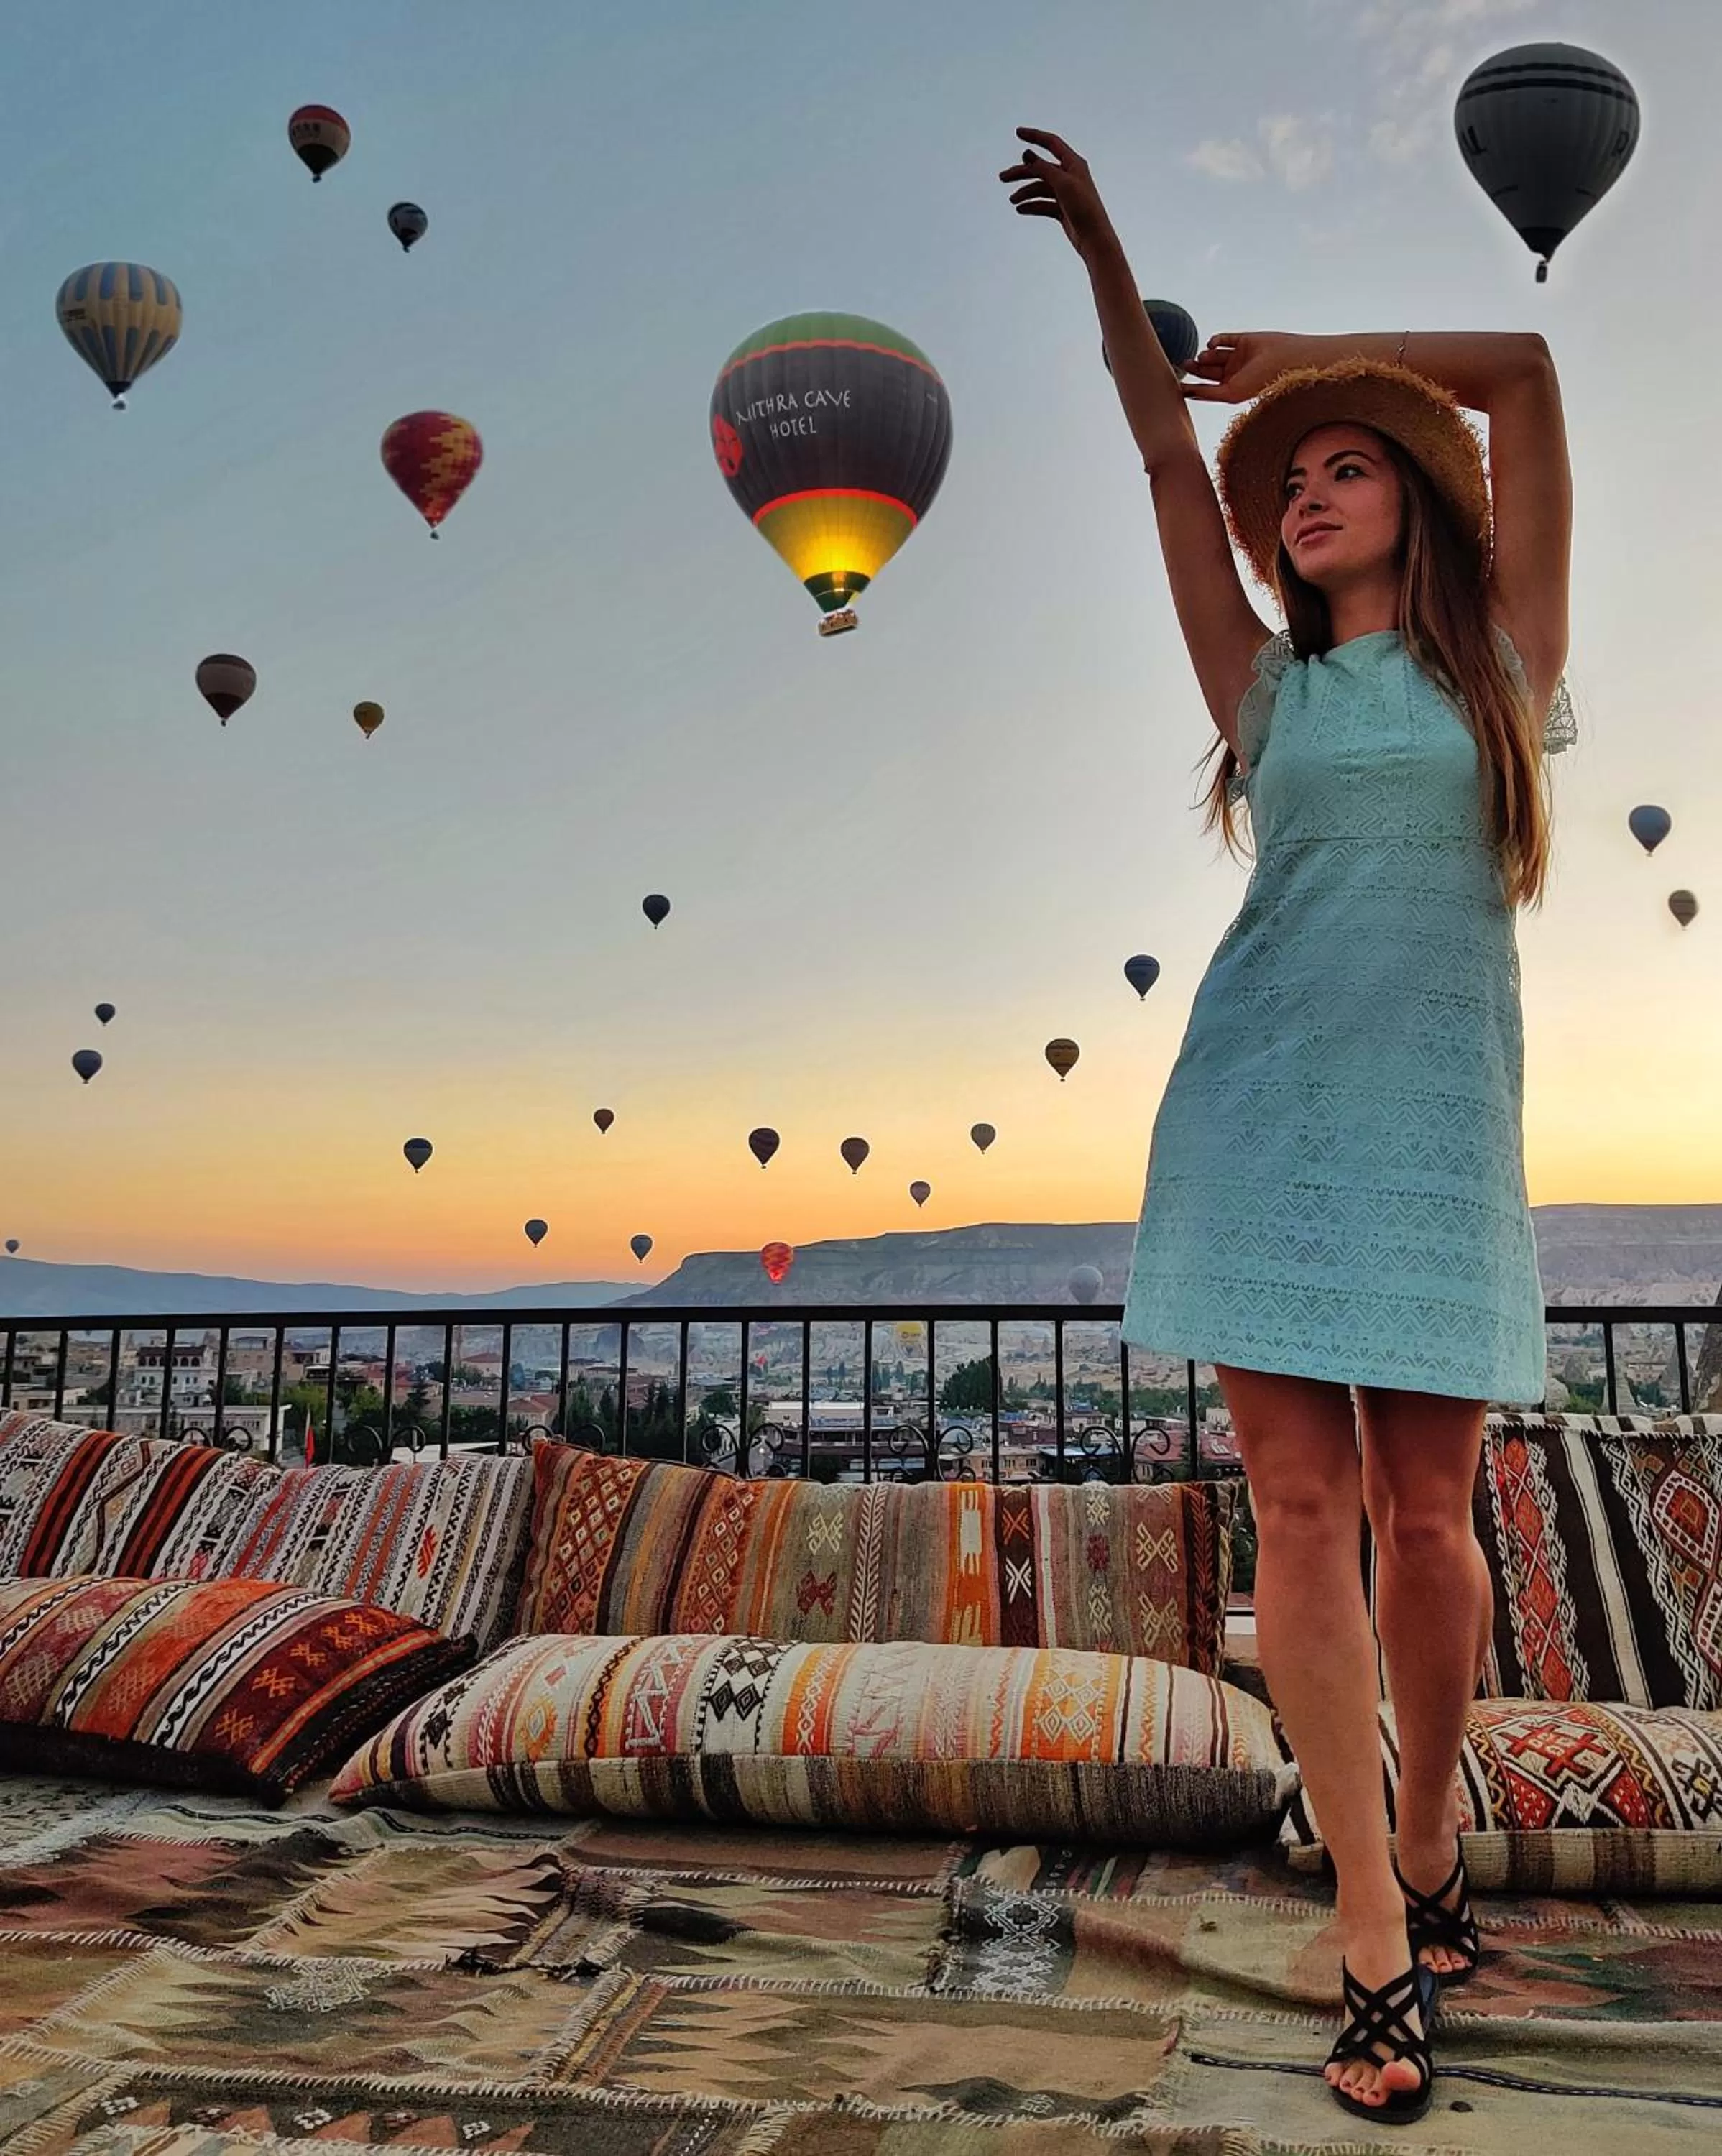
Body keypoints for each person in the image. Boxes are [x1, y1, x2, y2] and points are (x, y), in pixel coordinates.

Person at [999, 127, 1573, 2125]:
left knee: (1434, 1518)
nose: (1303, 494)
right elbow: (1170, 464)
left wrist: (1317, 363)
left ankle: (1430, 1841)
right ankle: (1362, 1919)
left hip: (1433, 1136)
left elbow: (1519, 365)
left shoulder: (1503, 672)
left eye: (1344, 471)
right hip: (1254, 1111)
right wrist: (1108, 256)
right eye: (1295, 481)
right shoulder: (1260, 694)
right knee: (1302, 1515)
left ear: (1410, 500)